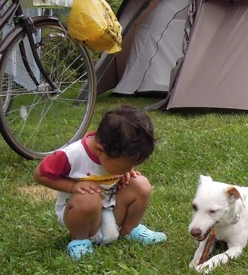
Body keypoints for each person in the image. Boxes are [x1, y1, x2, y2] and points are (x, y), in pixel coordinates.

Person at [34, 105, 167, 260]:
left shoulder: (116, 154)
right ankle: (80, 240)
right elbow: (40, 174)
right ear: (100, 150)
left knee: (141, 184)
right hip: (82, 214)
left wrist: (125, 173)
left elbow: (125, 171)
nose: (130, 169)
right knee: (87, 197)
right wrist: (73, 186)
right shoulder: (72, 155)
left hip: (112, 206)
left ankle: (130, 230)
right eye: (125, 166)